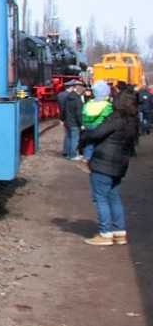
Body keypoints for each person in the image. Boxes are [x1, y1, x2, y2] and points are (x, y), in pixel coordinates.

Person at [78, 88, 140, 246]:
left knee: (100, 198)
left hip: (103, 162)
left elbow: (97, 133)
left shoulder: (115, 118)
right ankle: (120, 232)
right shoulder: (133, 121)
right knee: (114, 197)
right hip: (120, 164)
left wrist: (84, 137)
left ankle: (105, 233)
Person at [78, 80, 113, 172]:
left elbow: (83, 113)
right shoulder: (107, 105)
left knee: (90, 143)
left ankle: (86, 158)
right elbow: (107, 115)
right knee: (95, 144)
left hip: (88, 125)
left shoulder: (88, 103)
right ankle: (87, 159)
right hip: (98, 125)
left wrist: (84, 124)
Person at [61, 81, 85, 160]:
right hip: (74, 122)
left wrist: (62, 119)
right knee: (74, 139)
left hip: (68, 121)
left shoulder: (67, 97)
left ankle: (67, 153)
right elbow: (78, 113)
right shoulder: (78, 100)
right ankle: (72, 155)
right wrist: (81, 123)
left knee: (68, 138)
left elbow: (63, 109)